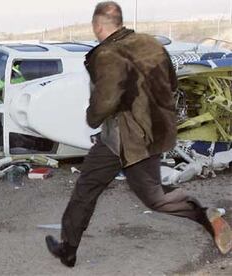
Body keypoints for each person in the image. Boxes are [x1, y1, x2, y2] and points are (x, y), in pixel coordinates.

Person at [45, 1, 232, 268]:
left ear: (99, 25)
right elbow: (173, 82)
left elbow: (106, 101)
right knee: (92, 186)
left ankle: (203, 214)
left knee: (149, 198)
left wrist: (91, 116)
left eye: (95, 26)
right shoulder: (152, 44)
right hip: (152, 133)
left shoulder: (108, 54)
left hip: (124, 137)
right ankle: (68, 249)